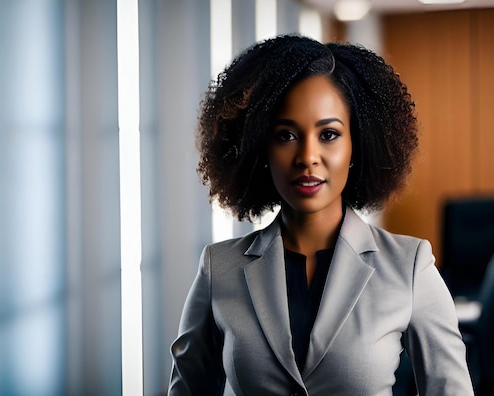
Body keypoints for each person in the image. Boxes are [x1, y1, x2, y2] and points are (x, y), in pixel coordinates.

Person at [168, 34, 474, 395]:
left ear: (357, 145)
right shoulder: (219, 270)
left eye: (328, 134)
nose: (307, 157)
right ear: (259, 149)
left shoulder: (409, 267)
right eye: (286, 135)